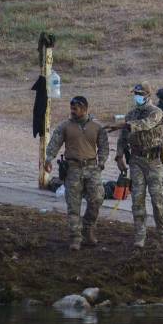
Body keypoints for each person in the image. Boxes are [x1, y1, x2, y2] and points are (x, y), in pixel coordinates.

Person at [43, 95, 109, 250]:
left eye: (76, 108)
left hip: (92, 169)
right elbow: (55, 142)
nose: (72, 111)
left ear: (85, 109)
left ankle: (88, 228)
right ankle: (75, 237)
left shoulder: (96, 127)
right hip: (73, 169)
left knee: (97, 199)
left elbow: (104, 146)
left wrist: (101, 162)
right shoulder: (65, 126)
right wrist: (48, 159)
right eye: (71, 108)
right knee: (73, 205)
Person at [115, 83, 163, 249]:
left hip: (153, 161)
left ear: (147, 95)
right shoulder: (131, 114)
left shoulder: (155, 112)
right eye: (135, 94)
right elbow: (123, 138)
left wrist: (127, 125)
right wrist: (119, 156)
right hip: (136, 160)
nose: (137, 97)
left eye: (139, 94)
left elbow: (146, 124)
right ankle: (140, 236)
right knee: (137, 200)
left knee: (158, 200)